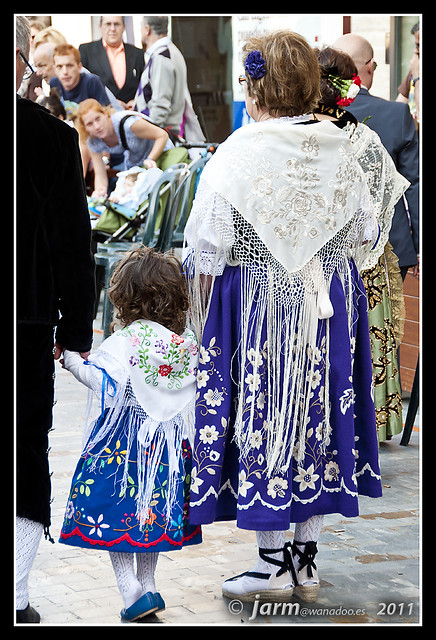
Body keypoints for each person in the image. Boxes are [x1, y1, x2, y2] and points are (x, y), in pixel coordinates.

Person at [183, 30, 406, 605]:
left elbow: (208, 245)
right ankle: (304, 555)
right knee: (320, 415)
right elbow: (365, 233)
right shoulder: (351, 145)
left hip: (260, 301)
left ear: (257, 86)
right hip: (332, 298)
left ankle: (270, 560)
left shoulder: (240, 149)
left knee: (267, 413)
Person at [58, 246, 202, 621]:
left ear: (127, 298)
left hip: (122, 447)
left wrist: (73, 361)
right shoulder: (183, 343)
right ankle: (149, 586)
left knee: (115, 513)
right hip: (166, 447)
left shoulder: (128, 339)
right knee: (148, 515)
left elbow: (104, 384)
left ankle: (131, 591)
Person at [15, 15, 96, 623]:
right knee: (23, 451)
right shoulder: (46, 138)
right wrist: (72, 334)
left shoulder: (50, 138)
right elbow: (73, 247)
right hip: (27, 322)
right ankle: (14, 592)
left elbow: (72, 244)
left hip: (29, 322)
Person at [313, 46, 408, 443]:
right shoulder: (360, 133)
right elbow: (392, 195)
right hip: (363, 256)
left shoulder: (302, 133)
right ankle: (365, 428)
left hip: (325, 260)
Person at [332, 33, 419, 280]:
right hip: (390, 244)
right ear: (369, 67)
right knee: (386, 319)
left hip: (332, 245)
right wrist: (418, 246)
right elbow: (413, 184)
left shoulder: (315, 116)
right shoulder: (398, 113)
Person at [75, 98, 170, 198]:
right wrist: (100, 191)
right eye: (89, 124)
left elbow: (162, 135)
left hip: (161, 153)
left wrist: (150, 159)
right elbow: (100, 173)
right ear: (84, 128)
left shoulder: (128, 123)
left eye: (98, 119)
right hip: (137, 165)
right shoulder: (92, 141)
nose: (97, 126)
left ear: (105, 113)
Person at [134, 16, 204, 143]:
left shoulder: (162, 57)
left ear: (147, 30)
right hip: (166, 133)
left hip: (160, 136)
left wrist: (149, 137)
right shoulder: (170, 52)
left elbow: (160, 105)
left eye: (140, 28)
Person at [79, 16, 145, 110]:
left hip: (131, 114)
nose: (112, 29)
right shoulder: (86, 51)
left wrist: (137, 101)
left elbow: (144, 84)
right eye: (108, 24)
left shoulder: (137, 53)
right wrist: (111, 102)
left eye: (117, 24)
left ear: (124, 27)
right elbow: (83, 87)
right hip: (100, 115)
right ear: (100, 27)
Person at [50, 43, 110, 120]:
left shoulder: (92, 82)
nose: (65, 72)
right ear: (54, 69)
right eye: (59, 66)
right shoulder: (54, 83)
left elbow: (106, 115)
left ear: (79, 67)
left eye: (69, 65)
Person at [396, 22, 420, 126]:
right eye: (416, 45)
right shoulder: (414, 71)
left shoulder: (416, 73)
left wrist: (417, 78)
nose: (416, 51)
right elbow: (398, 108)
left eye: (419, 46)